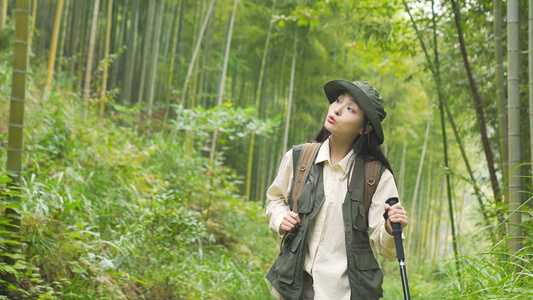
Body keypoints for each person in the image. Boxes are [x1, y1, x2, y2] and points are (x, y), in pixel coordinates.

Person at [265, 80, 408, 300]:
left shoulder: (377, 176)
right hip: (292, 288)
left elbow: (388, 250)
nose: (337, 109)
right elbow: (275, 199)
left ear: (365, 127)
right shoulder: (299, 157)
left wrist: (390, 228)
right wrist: (281, 217)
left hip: (343, 293)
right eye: (338, 100)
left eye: (350, 108)